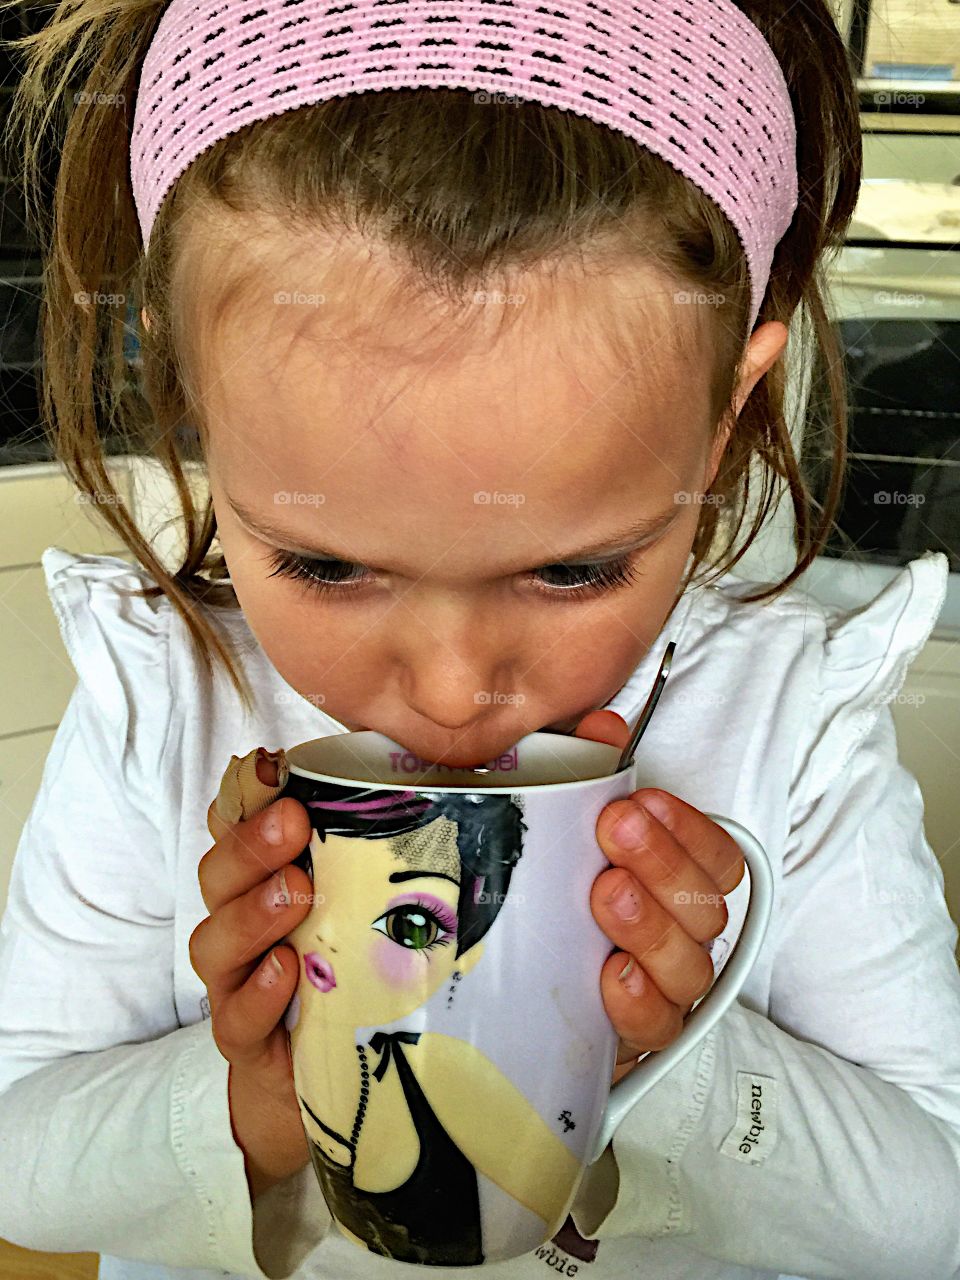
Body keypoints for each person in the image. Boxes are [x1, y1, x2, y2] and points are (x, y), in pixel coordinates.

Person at [0, 2, 958, 1280]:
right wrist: (255, 1098)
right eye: (326, 562)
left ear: (726, 416)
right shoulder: (164, 707)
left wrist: (660, 1052)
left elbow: (929, 1209)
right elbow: (22, 1160)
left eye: (573, 567)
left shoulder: (798, 722)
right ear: (197, 407)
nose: (453, 688)